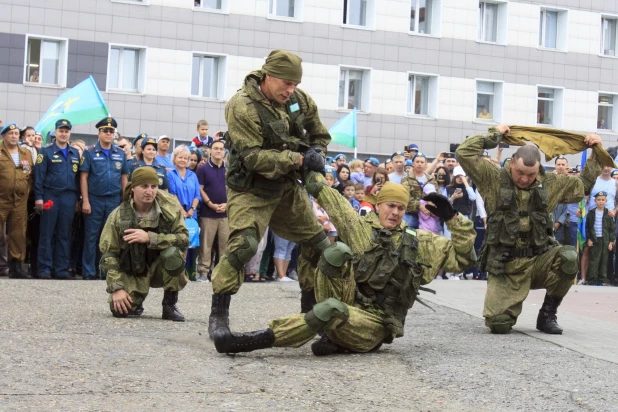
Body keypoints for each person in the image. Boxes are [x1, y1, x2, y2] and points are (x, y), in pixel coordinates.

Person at [212, 173, 477, 355]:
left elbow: (463, 259)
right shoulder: (358, 226)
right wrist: (305, 164)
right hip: (346, 301)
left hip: (374, 324)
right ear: (377, 205)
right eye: (390, 206)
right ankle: (322, 324)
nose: (395, 212)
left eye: (400, 207)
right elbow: (328, 196)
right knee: (333, 250)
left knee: (331, 309)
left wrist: (453, 217)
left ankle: (249, 341)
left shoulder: (420, 242)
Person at [208, 50, 332, 338]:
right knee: (244, 246)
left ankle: (309, 311)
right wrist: (298, 161)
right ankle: (219, 316)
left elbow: (319, 136)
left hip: (286, 187)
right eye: (286, 84)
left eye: (295, 84)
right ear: (268, 76)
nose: (290, 90)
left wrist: (316, 154)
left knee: (319, 244)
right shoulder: (242, 106)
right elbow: (253, 158)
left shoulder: (299, 100)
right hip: (250, 188)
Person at [457, 124, 604, 335]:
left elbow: (585, 184)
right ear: (512, 164)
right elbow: (463, 152)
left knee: (568, 256)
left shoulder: (551, 184)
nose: (525, 179)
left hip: (538, 261)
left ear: (539, 170)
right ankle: (506, 307)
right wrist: (495, 135)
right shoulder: (492, 177)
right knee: (499, 325)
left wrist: (595, 152)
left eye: (531, 174)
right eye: (520, 173)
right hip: (506, 266)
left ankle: (547, 314)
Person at [99, 167, 189, 321]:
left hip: (160, 266)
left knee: (173, 254)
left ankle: (169, 304)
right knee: (119, 310)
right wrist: (117, 289)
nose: (150, 191)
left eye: (154, 186)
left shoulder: (169, 209)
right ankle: (136, 300)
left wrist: (150, 238)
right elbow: (109, 255)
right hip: (133, 270)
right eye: (144, 186)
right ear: (133, 187)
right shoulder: (119, 216)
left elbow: (184, 239)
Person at [79, 117, 130, 280]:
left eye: (111, 131)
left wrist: (125, 199)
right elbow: (83, 178)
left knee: (110, 237)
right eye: (105, 131)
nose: (108, 134)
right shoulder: (89, 152)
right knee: (91, 236)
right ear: (99, 133)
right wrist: (85, 201)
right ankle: (88, 270)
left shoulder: (120, 153)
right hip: (95, 199)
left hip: (114, 200)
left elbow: (124, 178)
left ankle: (105, 270)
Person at [34, 119, 81, 280]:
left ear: (70, 133)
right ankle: (44, 268)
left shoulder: (75, 153)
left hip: (69, 197)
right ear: (55, 132)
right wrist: (38, 198)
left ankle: (61, 269)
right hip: (51, 195)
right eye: (61, 130)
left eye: (66, 131)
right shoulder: (45, 151)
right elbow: (38, 177)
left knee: (64, 234)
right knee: (47, 233)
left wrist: (78, 199)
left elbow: (78, 179)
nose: (63, 133)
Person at [0, 123, 34, 278]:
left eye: (16, 133)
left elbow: (31, 174)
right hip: (1, 199)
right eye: (10, 133)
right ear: (4, 136)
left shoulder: (25, 153)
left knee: (18, 233)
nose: (14, 136)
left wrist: (26, 190)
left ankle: (16, 267)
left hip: (20, 200)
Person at [196, 139, 228, 282]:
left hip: (225, 213)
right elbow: (200, 189)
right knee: (206, 244)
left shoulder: (228, 169)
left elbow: (233, 190)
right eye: (215, 148)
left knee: (225, 245)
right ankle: (203, 272)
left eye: (221, 149)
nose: (218, 151)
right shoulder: (203, 169)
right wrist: (210, 203)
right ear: (210, 151)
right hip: (208, 213)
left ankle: (221, 273)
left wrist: (227, 205)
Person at [585, 191, 615, 286]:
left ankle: (602, 279)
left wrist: (611, 242)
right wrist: (589, 239)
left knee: (604, 260)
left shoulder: (608, 213)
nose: (601, 202)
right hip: (595, 239)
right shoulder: (591, 213)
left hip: (605, 240)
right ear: (595, 201)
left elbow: (612, 229)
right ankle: (592, 279)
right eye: (598, 200)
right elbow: (588, 227)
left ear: (606, 201)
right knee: (594, 259)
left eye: (603, 200)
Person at [401, 152, 436, 229]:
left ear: (425, 164)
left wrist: (431, 204)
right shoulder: (406, 178)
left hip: (428, 216)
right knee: (410, 236)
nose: (419, 164)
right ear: (413, 163)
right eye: (417, 162)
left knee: (425, 239)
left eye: (422, 162)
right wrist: (419, 205)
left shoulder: (431, 179)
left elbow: (438, 195)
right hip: (411, 215)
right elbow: (405, 195)